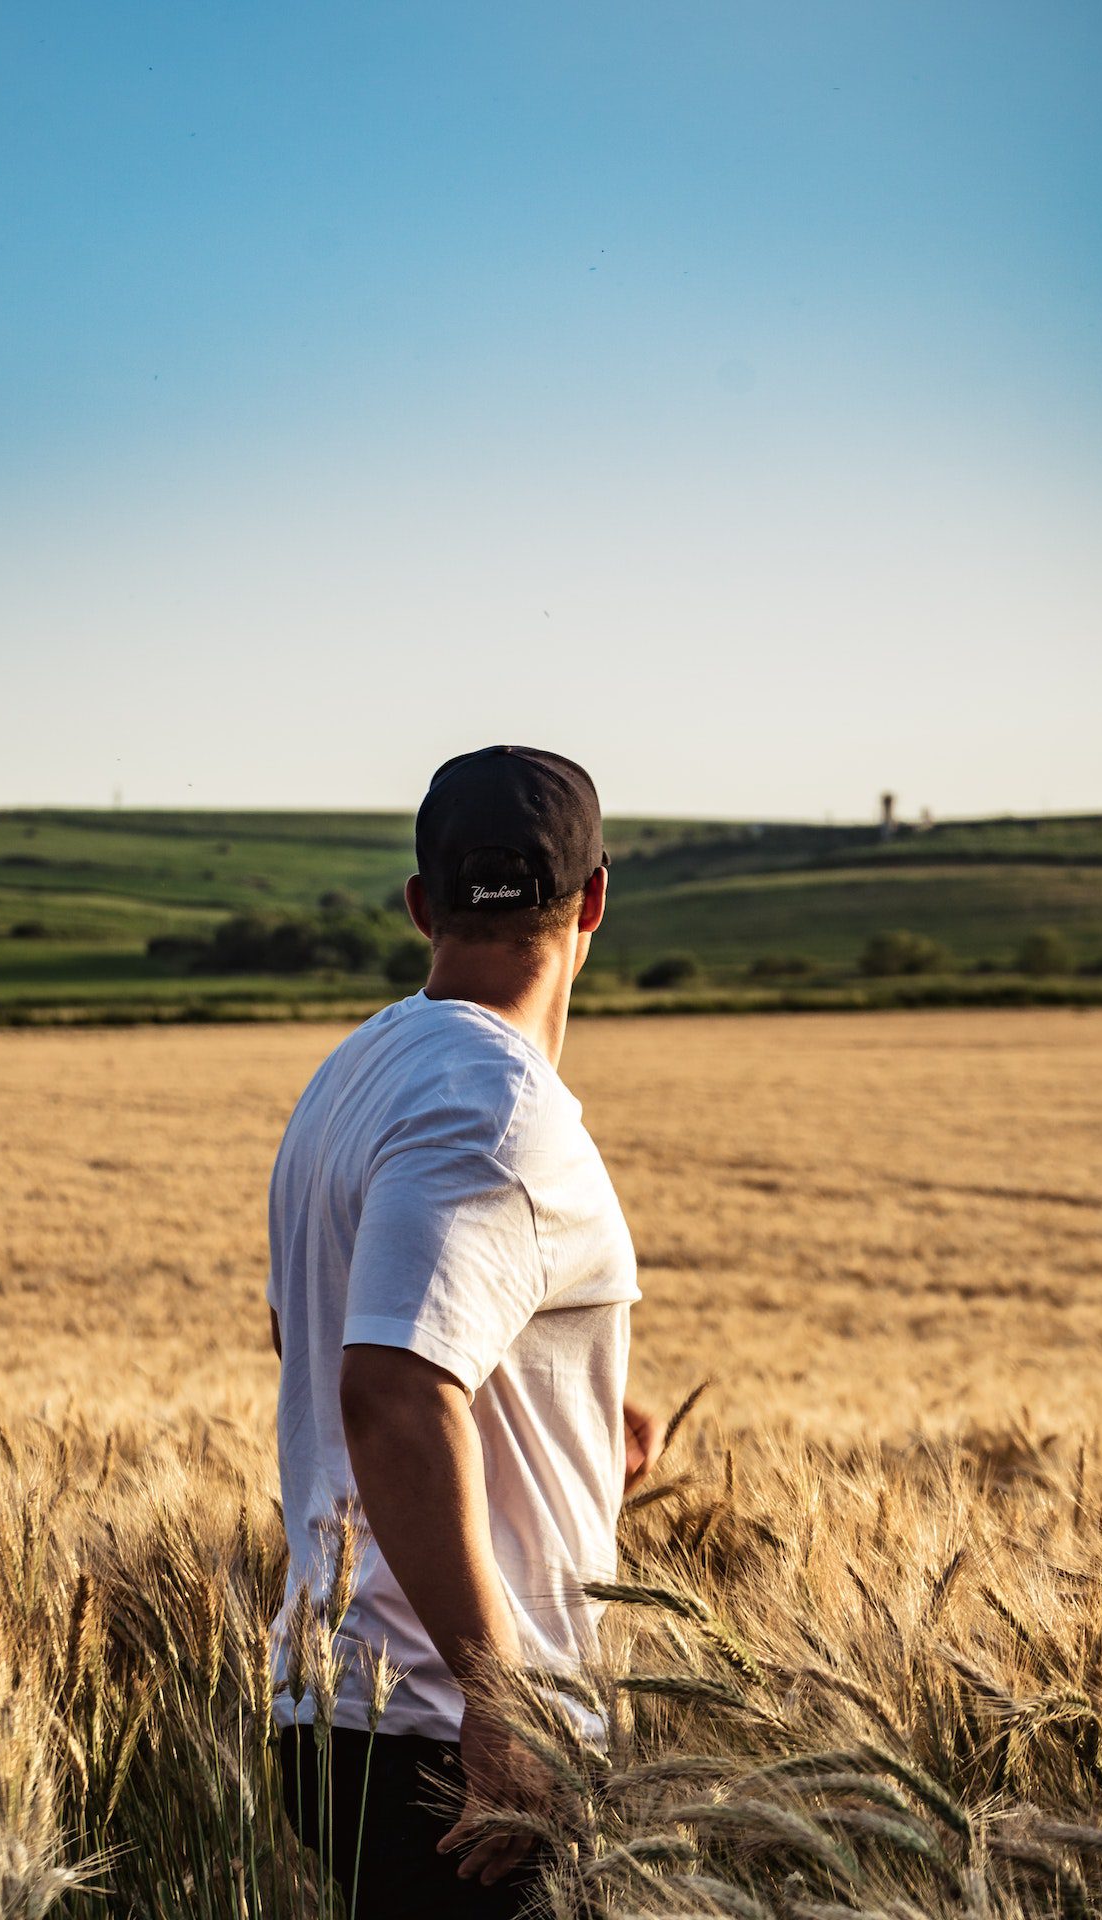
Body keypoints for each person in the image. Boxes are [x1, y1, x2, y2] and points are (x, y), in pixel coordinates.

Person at [267, 744, 663, 1917]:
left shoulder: (359, 1070)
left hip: (357, 1711)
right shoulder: (494, 1107)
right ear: (594, 900)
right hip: (449, 1735)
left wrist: (571, 1418)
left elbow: (321, 1339)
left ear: (420, 906)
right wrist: (499, 1703)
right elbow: (389, 1390)